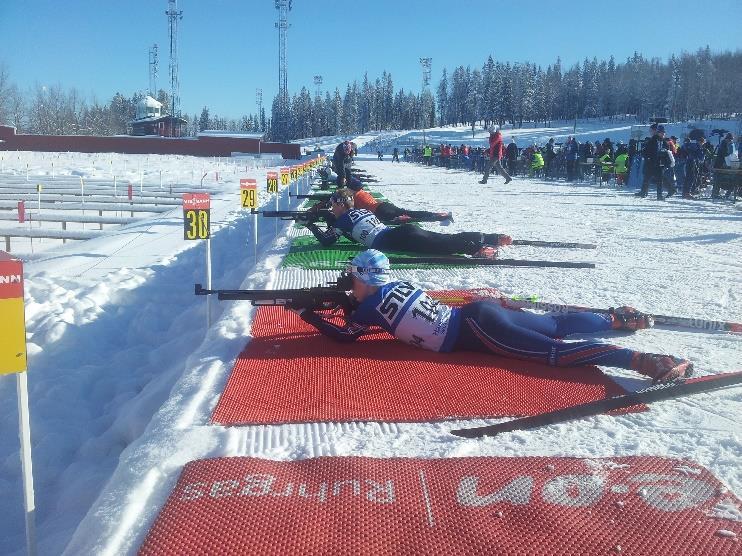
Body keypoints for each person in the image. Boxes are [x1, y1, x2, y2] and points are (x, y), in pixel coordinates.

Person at [294, 250, 693, 384]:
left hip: (476, 329)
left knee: (551, 353)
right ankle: (618, 320)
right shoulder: (392, 284)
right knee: (556, 324)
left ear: (363, 278)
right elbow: (367, 310)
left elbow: (346, 336)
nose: (350, 283)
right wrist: (341, 303)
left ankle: (640, 362)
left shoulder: (367, 306)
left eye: (352, 278)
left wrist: (307, 315)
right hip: (477, 312)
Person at [303, 189, 511, 259]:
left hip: (395, 238)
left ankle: (479, 248)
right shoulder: (360, 211)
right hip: (399, 233)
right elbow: (348, 229)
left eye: (333, 205)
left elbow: (327, 242)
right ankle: (490, 238)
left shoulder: (343, 220)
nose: (332, 208)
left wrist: (310, 225)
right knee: (444, 239)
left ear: (340, 205)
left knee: (443, 245)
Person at [310, 181, 453, 224]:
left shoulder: (353, 196)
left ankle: (439, 217)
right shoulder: (362, 193)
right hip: (384, 206)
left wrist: (323, 208)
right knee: (411, 213)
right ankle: (440, 214)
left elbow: (345, 208)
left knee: (411, 218)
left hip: (381, 211)